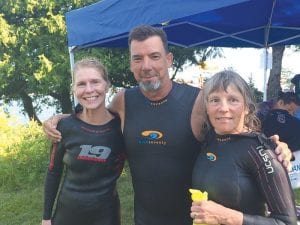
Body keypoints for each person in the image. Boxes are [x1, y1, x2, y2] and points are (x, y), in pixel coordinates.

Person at [43, 25, 293, 225]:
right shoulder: (123, 101)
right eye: (138, 59)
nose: (147, 66)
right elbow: (93, 118)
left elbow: (233, 127)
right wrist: (61, 118)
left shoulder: (197, 100)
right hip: (144, 218)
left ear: (169, 59)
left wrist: (272, 147)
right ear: (131, 64)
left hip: (194, 218)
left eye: (154, 56)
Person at [191, 70, 297, 225]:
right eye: (215, 100)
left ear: (247, 107)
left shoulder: (261, 151)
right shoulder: (208, 139)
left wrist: (226, 216)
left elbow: (287, 222)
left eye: (233, 100)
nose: (223, 108)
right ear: (207, 107)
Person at [41, 58, 125, 225]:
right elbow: (53, 171)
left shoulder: (121, 128)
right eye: (81, 84)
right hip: (67, 215)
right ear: (73, 89)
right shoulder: (64, 127)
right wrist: (46, 217)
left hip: (106, 216)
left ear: (107, 84)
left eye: (95, 82)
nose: (89, 90)